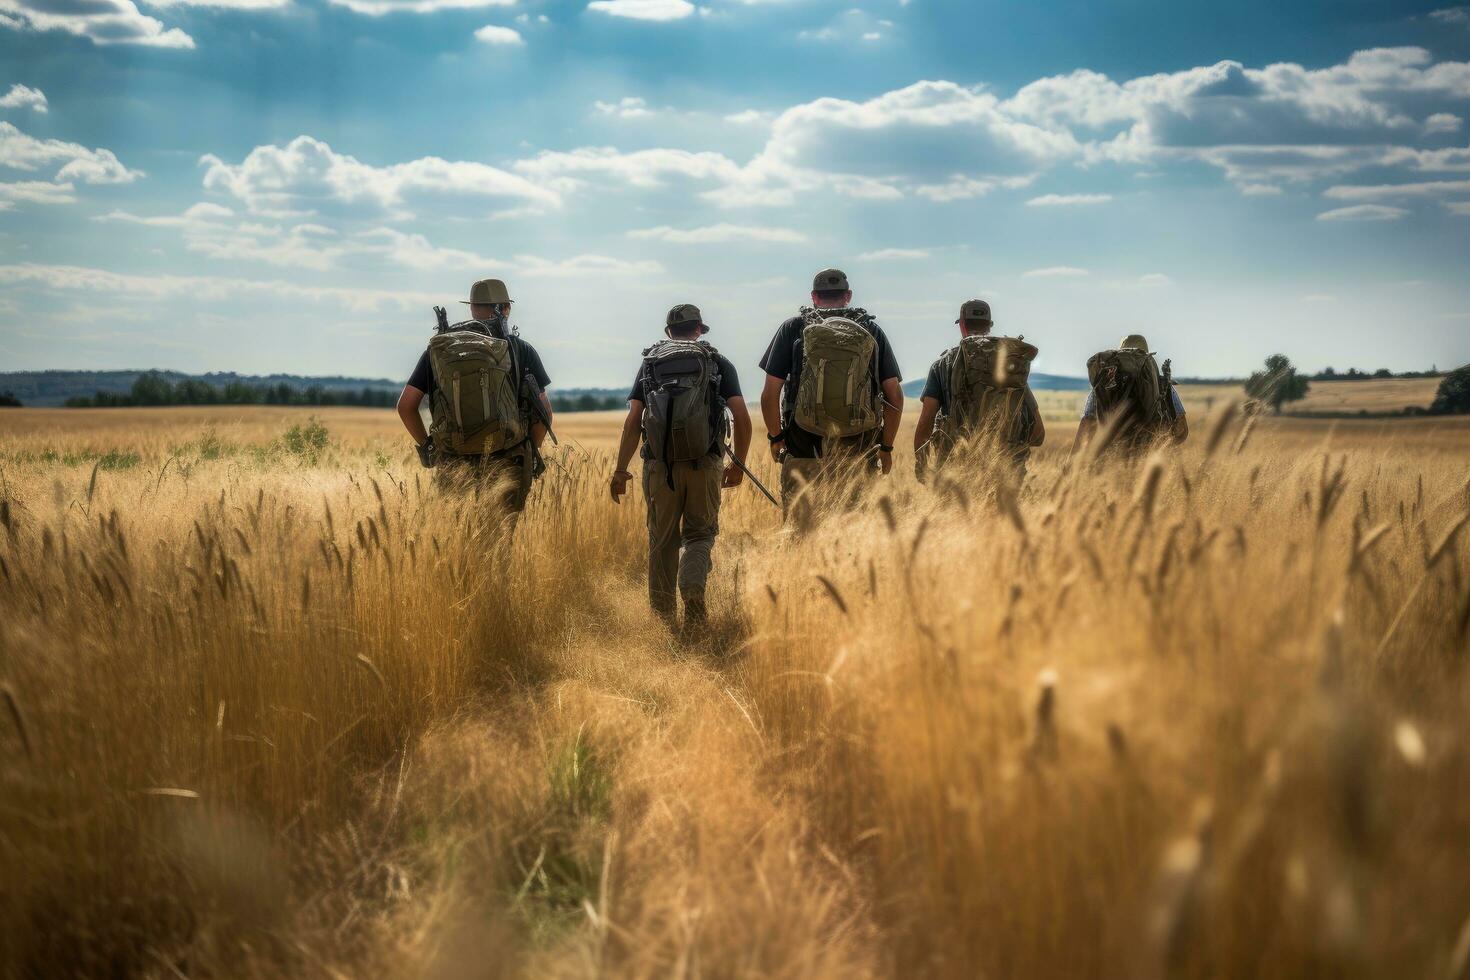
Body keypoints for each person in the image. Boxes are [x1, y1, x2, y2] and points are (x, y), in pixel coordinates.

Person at [610, 303, 753, 629]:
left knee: (661, 542)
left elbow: (634, 420)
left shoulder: (650, 364)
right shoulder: (716, 362)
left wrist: (620, 470)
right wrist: (739, 465)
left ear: (669, 332)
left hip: (660, 467)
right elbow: (742, 419)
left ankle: (664, 622)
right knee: (699, 535)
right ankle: (692, 587)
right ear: (699, 329)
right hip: (705, 464)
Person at [758, 268, 903, 525]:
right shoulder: (870, 330)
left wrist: (776, 438)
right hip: (858, 450)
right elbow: (894, 395)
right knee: (853, 540)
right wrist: (886, 446)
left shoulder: (793, 328)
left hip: (803, 447)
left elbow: (770, 393)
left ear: (814, 296)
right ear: (848, 296)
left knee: (800, 538)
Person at [396, 278, 553, 513]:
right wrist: (531, 452)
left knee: (457, 540)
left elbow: (406, 406)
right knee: (500, 542)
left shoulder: (440, 351)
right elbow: (544, 414)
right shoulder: (521, 350)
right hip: (508, 460)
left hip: (453, 462)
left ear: (472, 308)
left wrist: (430, 448)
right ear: (506, 309)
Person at [913, 300, 1045, 480]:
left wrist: (921, 464)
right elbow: (1038, 434)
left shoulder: (943, 365)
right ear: (989, 326)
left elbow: (927, 419)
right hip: (1006, 474)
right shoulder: (1010, 369)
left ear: (962, 325)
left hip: (956, 471)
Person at [1072, 333, 1188, 456]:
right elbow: (1182, 430)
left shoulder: (1104, 385)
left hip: (1111, 460)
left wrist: (1072, 460)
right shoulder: (1162, 384)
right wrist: (1162, 445)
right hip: (1150, 460)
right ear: (1146, 356)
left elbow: (1087, 423)